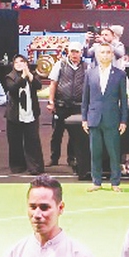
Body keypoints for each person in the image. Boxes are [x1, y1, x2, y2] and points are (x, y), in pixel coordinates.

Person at [82, 41, 128, 192]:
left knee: (114, 153)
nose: (105, 55)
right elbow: (85, 98)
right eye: (102, 52)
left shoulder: (120, 74)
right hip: (94, 118)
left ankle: (115, 182)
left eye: (108, 52)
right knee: (95, 152)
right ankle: (96, 182)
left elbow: (124, 99)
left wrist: (123, 120)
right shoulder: (90, 73)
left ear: (112, 55)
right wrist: (84, 118)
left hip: (112, 119)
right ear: (97, 55)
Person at [2, 54, 46, 175]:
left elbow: (38, 86)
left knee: (33, 140)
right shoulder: (10, 76)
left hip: (30, 113)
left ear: (26, 63)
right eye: (16, 62)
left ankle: (35, 166)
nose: (19, 64)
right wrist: (22, 77)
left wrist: (29, 75)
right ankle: (18, 166)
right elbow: (13, 88)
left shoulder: (33, 75)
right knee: (15, 141)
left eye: (22, 61)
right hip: (15, 114)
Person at [47, 44, 87, 174]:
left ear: (81, 53)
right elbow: (53, 84)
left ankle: (72, 158)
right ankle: (54, 158)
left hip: (78, 105)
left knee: (75, 134)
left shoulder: (87, 67)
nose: (74, 54)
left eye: (77, 52)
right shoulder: (60, 64)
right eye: (72, 52)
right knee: (57, 133)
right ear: (68, 52)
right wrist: (51, 101)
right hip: (61, 104)